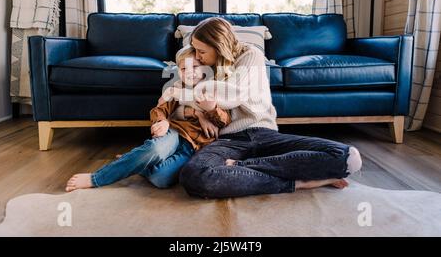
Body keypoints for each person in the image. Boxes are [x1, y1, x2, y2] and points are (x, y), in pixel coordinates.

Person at [172, 17, 363, 198]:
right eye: (195, 51)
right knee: (194, 176)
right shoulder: (203, 67)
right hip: (227, 140)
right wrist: (197, 112)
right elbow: (177, 105)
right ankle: (298, 183)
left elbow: (235, 93)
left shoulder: (251, 54)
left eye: (201, 51)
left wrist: (200, 90)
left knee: (348, 157)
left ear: (218, 46)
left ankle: (243, 166)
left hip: (264, 134)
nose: (197, 57)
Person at [65, 45, 231, 192]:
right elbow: (158, 109)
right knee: (155, 150)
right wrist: (163, 121)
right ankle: (97, 178)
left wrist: (211, 110)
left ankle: (135, 160)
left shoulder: (213, 89)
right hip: (175, 133)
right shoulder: (175, 90)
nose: (189, 72)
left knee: (161, 179)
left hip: (196, 147)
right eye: (183, 69)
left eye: (194, 66)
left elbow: (225, 121)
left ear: (205, 68)